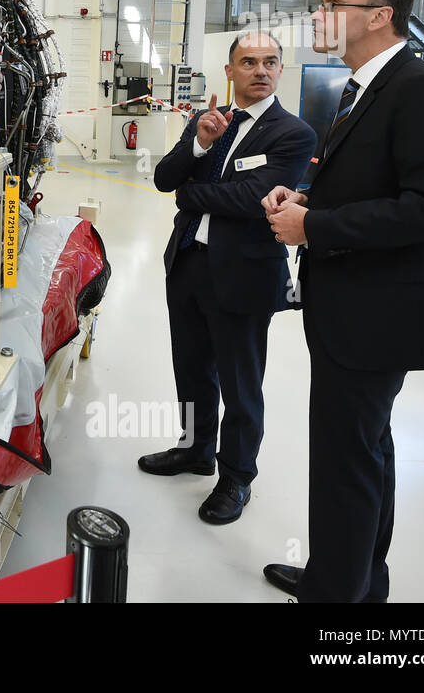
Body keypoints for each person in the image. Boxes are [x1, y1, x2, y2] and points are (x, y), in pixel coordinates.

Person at [263, 0, 424, 602]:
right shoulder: (363, 88)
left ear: (379, 15)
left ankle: (336, 599)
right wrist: (304, 197)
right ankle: (353, 579)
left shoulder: (423, 89)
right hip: (353, 309)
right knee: (362, 452)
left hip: (376, 317)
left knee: (345, 461)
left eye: (334, 2)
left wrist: (316, 227)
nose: (319, 12)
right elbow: (374, 183)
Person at [144, 32, 316, 524]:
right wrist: (199, 143)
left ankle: (237, 477)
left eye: (270, 62)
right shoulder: (207, 121)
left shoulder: (292, 133)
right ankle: (196, 449)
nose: (260, 70)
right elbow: (163, 177)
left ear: (281, 69)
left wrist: (191, 194)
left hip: (244, 275)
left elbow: (252, 199)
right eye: (248, 62)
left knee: (242, 383)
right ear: (229, 70)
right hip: (189, 263)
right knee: (192, 368)